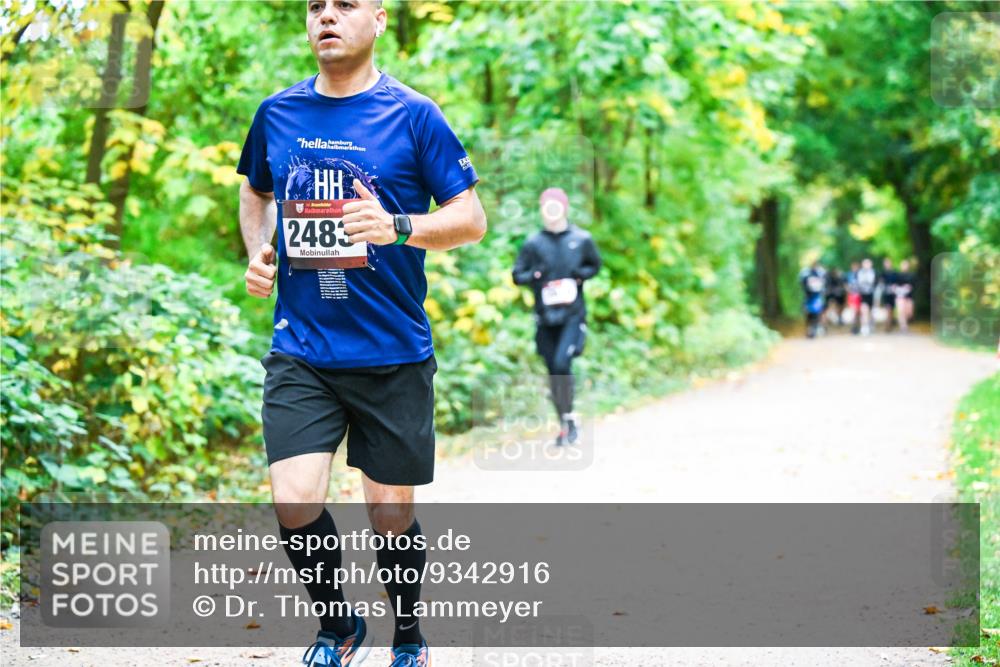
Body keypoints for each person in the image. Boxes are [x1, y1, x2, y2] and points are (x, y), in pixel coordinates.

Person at [237, 1, 486, 665]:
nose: (326, 15)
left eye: (345, 4)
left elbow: (471, 217)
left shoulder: (414, 115)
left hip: (392, 351)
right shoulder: (277, 113)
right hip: (304, 347)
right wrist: (259, 250)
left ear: (377, 20)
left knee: (390, 517)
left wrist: (401, 226)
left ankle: (408, 632)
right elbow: (256, 189)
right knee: (293, 501)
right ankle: (338, 626)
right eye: (316, 5)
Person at [512, 187, 601, 447]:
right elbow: (518, 275)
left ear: (564, 207)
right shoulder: (533, 243)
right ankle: (566, 423)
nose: (551, 211)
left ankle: (569, 418)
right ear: (541, 209)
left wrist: (579, 275)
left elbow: (594, 265)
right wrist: (535, 277)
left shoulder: (581, 239)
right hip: (545, 317)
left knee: (563, 363)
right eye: (546, 206)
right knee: (553, 371)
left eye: (556, 206)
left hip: (573, 316)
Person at [798, 260, 826, 338]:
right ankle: (809, 329)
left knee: (816, 314)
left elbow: (823, 284)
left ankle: (814, 329)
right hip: (808, 297)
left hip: (816, 298)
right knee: (808, 314)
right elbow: (802, 283)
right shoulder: (806, 274)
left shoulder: (820, 274)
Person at [855, 258, 877, 336]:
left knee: (870, 311)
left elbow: (871, 282)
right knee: (864, 310)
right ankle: (864, 326)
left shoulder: (873, 272)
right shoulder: (860, 272)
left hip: (870, 294)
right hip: (863, 294)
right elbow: (860, 282)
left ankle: (870, 324)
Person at [893, 259, 916, 332]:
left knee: (909, 313)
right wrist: (898, 289)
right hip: (900, 296)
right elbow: (894, 286)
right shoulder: (897, 275)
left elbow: (914, 285)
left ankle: (904, 322)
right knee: (901, 310)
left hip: (909, 296)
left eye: (905, 264)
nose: (904, 266)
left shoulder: (911, 275)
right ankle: (903, 326)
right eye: (903, 265)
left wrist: (909, 287)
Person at [879, 257, 898, 332]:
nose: (887, 264)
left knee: (891, 310)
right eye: (886, 263)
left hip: (893, 294)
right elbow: (880, 282)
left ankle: (890, 323)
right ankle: (888, 325)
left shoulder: (894, 273)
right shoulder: (882, 273)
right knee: (888, 309)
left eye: (889, 262)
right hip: (886, 293)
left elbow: (897, 282)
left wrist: (894, 287)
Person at [845, 261, 862, 333]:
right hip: (852, 295)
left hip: (859, 295)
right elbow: (845, 284)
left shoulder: (860, 274)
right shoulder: (849, 275)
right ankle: (854, 327)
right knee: (853, 311)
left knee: (858, 312)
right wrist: (848, 290)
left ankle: (857, 326)